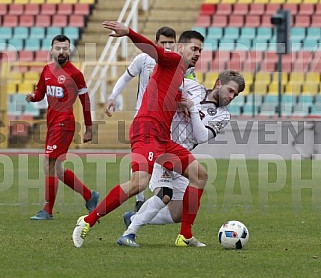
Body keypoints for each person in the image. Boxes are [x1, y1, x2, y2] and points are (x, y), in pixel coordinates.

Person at [72, 21, 205, 248]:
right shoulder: (172, 60)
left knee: (199, 175)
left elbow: (163, 95)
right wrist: (129, 33)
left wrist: (180, 104)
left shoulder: (182, 74)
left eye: (201, 51)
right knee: (138, 183)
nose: (198, 54)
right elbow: (152, 50)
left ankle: (185, 236)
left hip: (162, 138)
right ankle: (88, 221)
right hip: (147, 130)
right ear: (181, 48)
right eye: (194, 49)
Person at [117, 70, 246, 247]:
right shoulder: (191, 87)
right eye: (230, 91)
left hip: (182, 157)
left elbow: (201, 136)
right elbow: (166, 92)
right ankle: (130, 233)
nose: (232, 96)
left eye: (236, 94)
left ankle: (134, 217)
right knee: (165, 193)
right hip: (162, 145)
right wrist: (177, 103)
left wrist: (192, 109)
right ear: (218, 83)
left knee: (178, 213)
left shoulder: (223, 115)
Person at [26, 35, 99, 220]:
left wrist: (89, 127)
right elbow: (40, 93)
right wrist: (32, 97)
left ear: (70, 51)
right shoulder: (47, 70)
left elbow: (85, 101)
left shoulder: (75, 74)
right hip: (52, 123)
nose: (61, 51)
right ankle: (89, 195)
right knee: (57, 169)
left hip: (64, 124)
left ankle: (47, 210)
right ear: (51, 50)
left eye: (65, 48)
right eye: (58, 48)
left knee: (48, 164)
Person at [106, 26, 177, 212]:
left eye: (171, 43)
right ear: (156, 43)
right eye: (164, 43)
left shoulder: (178, 64)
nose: (168, 46)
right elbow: (125, 77)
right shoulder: (143, 59)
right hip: (143, 116)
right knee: (141, 160)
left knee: (161, 159)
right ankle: (139, 199)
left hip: (164, 119)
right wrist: (113, 96)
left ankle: (162, 195)